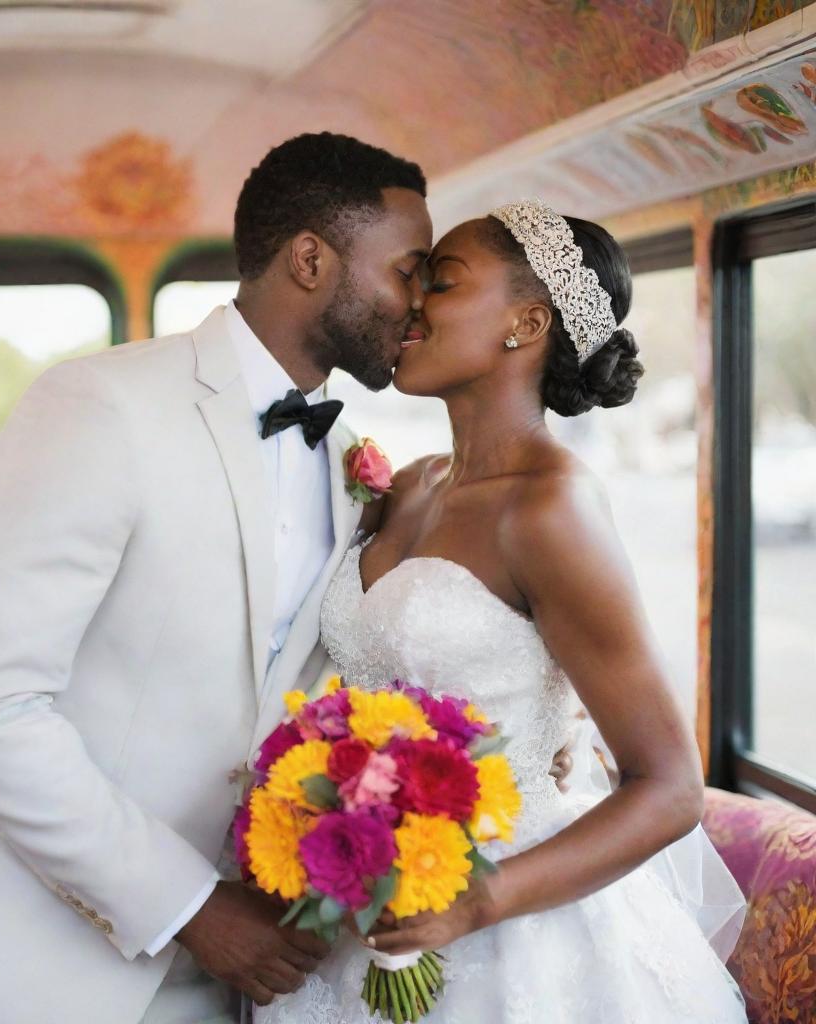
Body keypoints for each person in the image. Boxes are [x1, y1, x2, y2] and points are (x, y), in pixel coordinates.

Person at [0, 132, 435, 1024]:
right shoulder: (100, 408)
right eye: (408, 271)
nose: (417, 306)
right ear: (310, 259)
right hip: (36, 967)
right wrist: (189, 907)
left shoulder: (351, 464)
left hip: (234, 974)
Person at [256, 199, 747, 1022]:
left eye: (440, 283)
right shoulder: (405, 485)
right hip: (364, 907)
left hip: (515, 933)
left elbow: (669, 789)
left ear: (526, 321)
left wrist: (478, 902)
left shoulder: (552, 509)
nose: (409, 304)